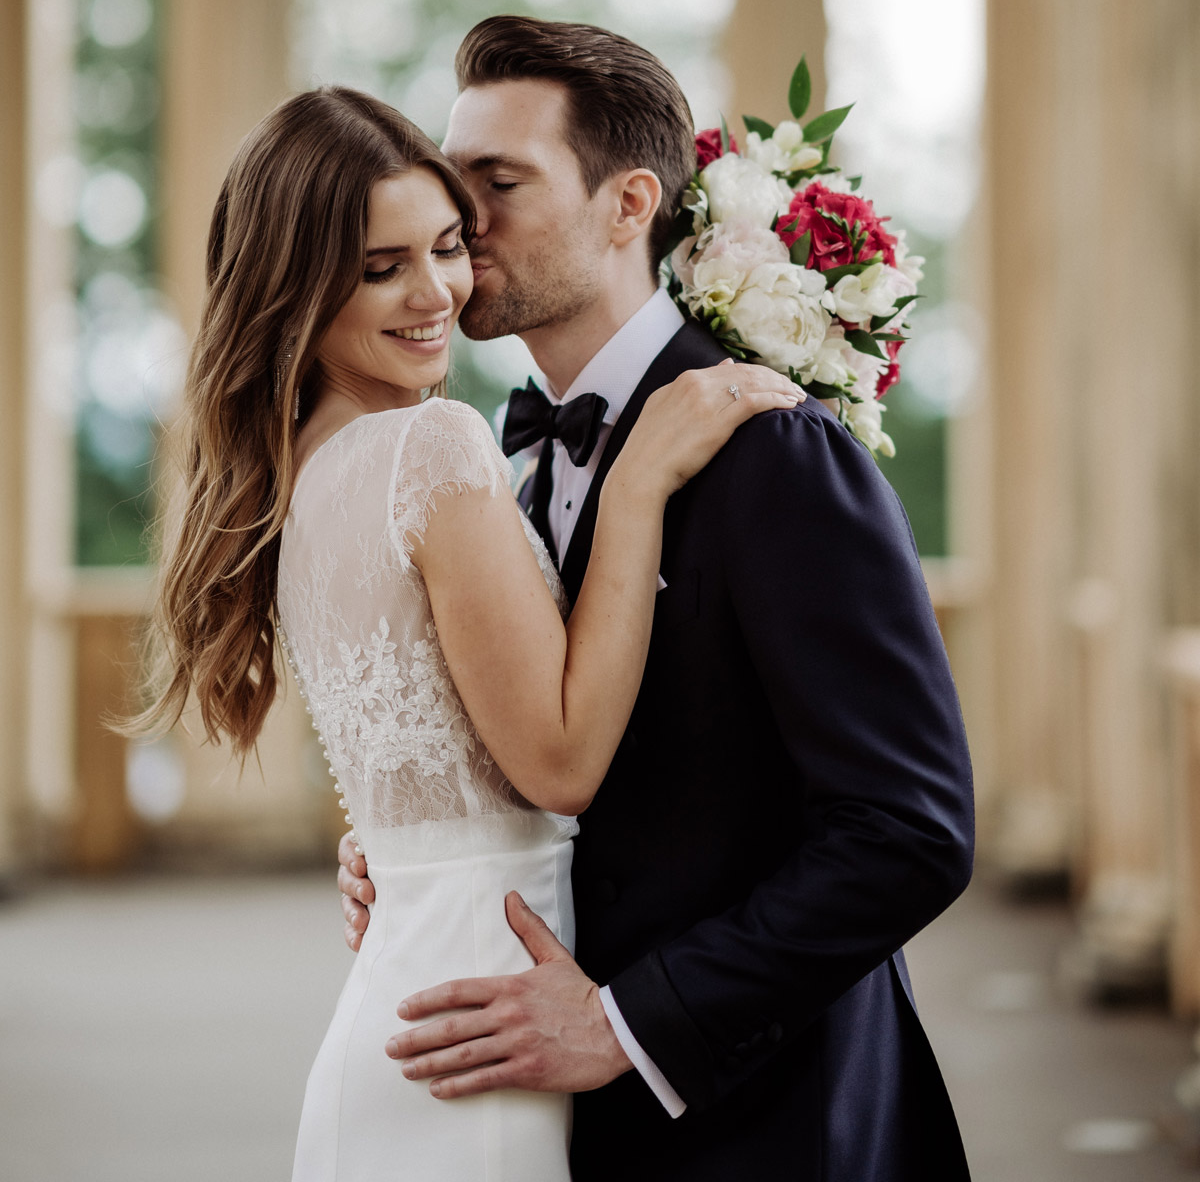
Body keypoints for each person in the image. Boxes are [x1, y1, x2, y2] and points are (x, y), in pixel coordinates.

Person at [338, 16, 975, 1181]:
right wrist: (430, 837)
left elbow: (908, 832)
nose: (458, 219)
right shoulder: (508, 471)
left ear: (631, 205)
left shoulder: (776, 451)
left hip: (775, 1120)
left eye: (501, 181)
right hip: (574, 1128)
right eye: (451, 177)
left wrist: (629, 1022)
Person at [126, 82, 799, 1182]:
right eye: (379, 267)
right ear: (293, 291)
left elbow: (439, 757)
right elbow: (563, 763)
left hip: (424, 992)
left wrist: (392, 843)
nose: (435, 291)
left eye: (446, 245)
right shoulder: (429, 447)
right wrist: (635, 488)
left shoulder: (300, 476)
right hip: (481, 1026)